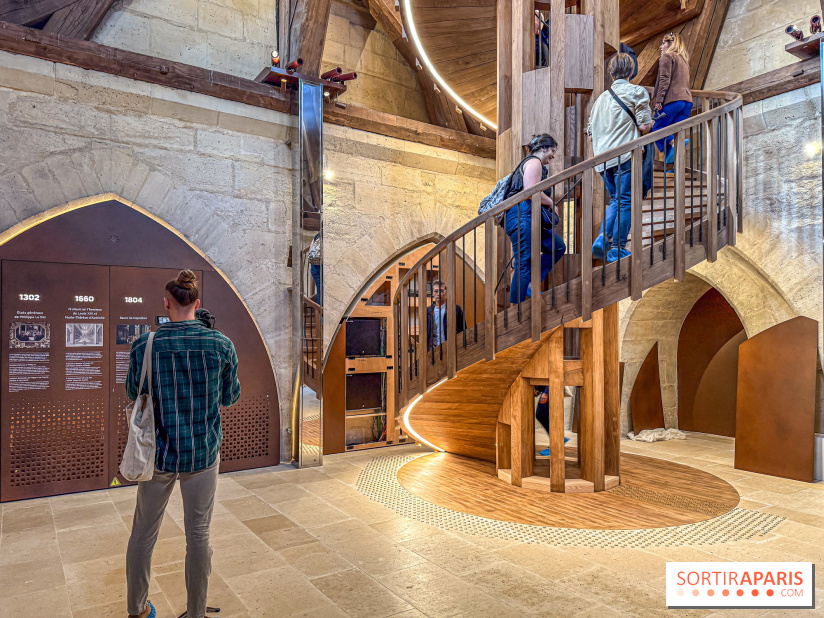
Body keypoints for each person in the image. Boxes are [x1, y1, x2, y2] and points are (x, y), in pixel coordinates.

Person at [125, 270, 241, 618]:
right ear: (197, 304)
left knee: (143, 535)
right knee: (199, 535)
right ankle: (195, 613)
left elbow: (134, 392)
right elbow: (230, 396)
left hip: (157, 455)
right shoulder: (220, 344)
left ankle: (137, 610)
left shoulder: (146, 345)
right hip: (203, 453)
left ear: (166, 304)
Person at [587, 53, 653, 264]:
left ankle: (601, 238)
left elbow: (590, 134)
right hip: (625, 156)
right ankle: (616, 247)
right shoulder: (637, 92)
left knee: (616, 199)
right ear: (632, 72)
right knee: (625, 201)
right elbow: (644, 126)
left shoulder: (599, 101)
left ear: (611, 73)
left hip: (602, 160)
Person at [504, 133, 566, 304]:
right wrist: (551, 202)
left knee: (557, 247)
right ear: (543, 148)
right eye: (552, 150)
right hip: (521, 215)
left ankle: (532, 282)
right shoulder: (534, 162)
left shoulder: (534, 163)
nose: (553, 155)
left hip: (527, 217)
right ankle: (515, 312)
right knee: (523, 263)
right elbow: (530, 190)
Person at [651, 33, 693, 164]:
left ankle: (672, 142)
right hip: (686, 102)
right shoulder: (683, 60)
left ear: (670, 44)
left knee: (656, 127)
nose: (661, 47)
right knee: (675, 131)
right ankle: (671, 163)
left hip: (673, 101)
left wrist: (659, 99)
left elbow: (664, 79)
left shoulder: (667, 56)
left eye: (663, 43)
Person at [426, 280, 466, 350]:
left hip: (451, 348)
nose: (438, 294)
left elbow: (463, 329)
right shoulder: (428, 311)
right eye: (436, 291)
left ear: (446, 292)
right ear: (432, 293)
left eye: (441, 291)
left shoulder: (455, 309)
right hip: (433, 350)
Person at [534, 386, 569, 457]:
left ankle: (556, 444)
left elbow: (554, 375)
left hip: (551, 386)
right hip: (547, 387)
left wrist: (546, 392)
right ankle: (558, 440)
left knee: (545, 415)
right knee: (542, 415)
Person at [308, 232, 322, 305]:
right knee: (325, 292)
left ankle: (320, 315)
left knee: (320, 290)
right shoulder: (328, 235)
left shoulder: (317, 236)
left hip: (314, 266)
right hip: (322, 265)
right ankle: (323, 315)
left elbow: (310, 251)